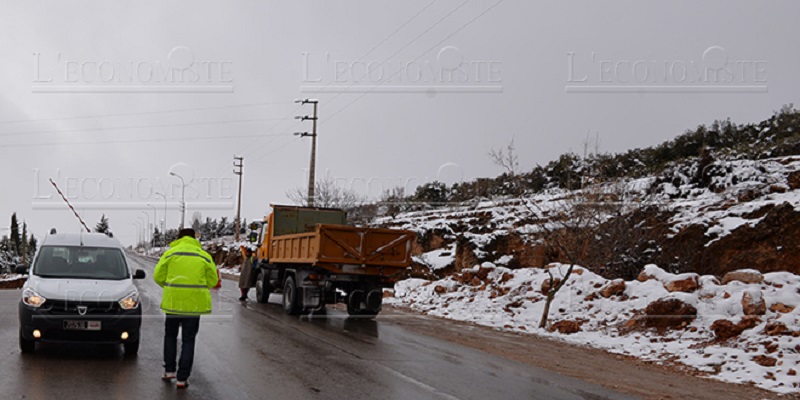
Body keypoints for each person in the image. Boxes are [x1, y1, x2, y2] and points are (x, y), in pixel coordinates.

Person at [153, 228, 218, 389]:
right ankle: (182, 379)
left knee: (170, 336)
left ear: (179, 238)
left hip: (173, 304)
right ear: (194, 238)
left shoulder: (170, 253)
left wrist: (170, 287)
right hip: (193, 306)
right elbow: (213, 280)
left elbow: (157, 276)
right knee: (188, 340)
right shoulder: (203, 255)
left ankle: (169, 371)